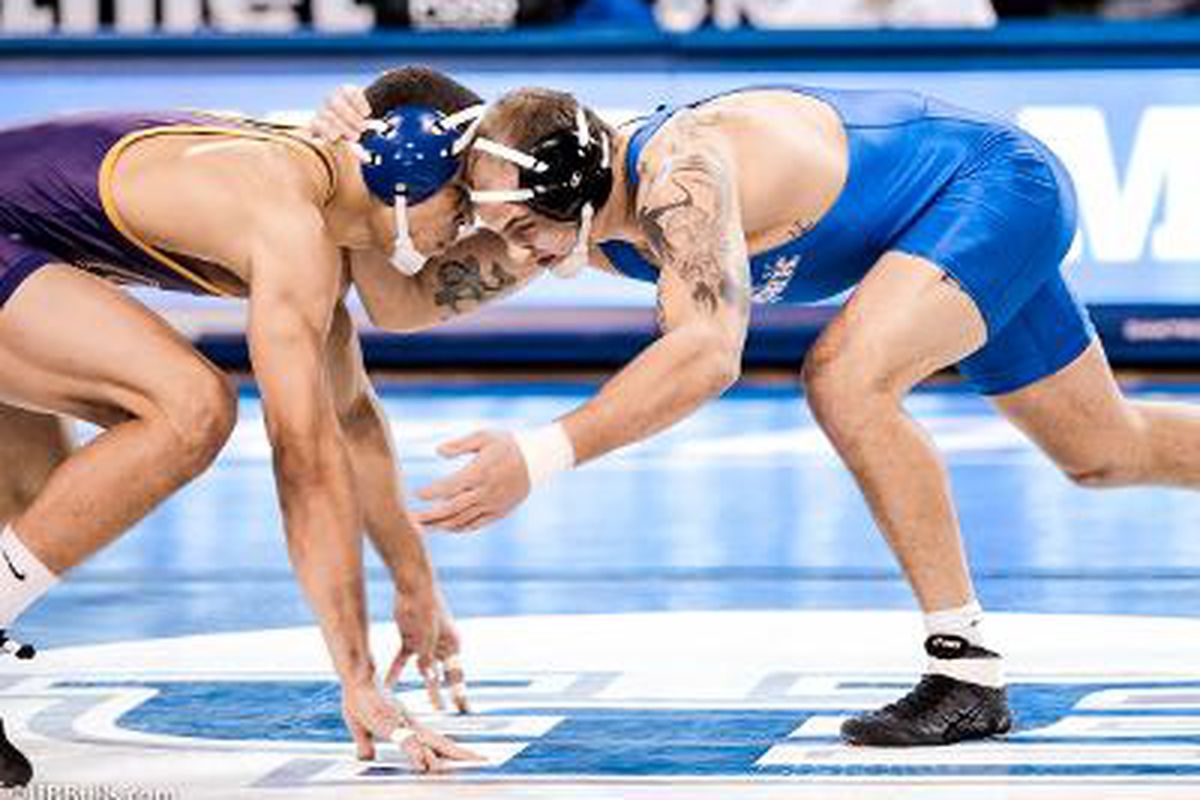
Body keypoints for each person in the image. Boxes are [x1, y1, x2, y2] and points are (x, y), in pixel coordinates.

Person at [315, 78, 1200, 748]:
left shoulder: (681, 172)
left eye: (522, 233)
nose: (513, 253)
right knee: (1103, 450)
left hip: (990, 186)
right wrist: (344, 177)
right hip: (932, 225)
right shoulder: (562, 202)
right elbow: (403, 306)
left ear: (573, 195)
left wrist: (539, 456)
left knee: (847, 377)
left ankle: (963, 672)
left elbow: (707, 354)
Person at [0, 66, 485, 785]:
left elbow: (349, 420)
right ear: (404, 163)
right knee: (189, 408)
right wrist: (356, 678)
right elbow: (304, 462)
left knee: (40, 505)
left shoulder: (313, 198)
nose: (468, 229)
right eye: (464, 199)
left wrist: (415, 586)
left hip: (22, 236)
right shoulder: (290, 222)